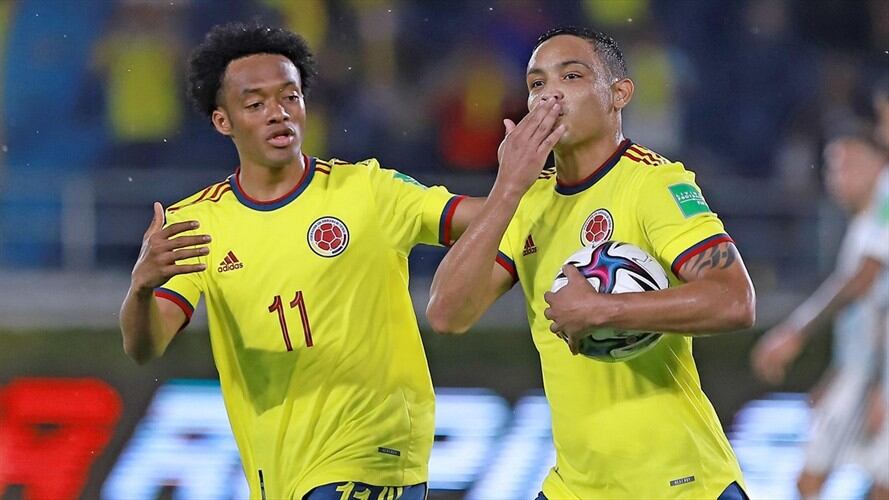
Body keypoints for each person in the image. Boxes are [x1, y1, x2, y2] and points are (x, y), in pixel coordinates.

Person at [119, 23, 481, 499]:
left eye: (290, 97)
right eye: (255, 104)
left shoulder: (367, 190)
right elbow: (145, 346)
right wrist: (141, 289)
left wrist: (524, 182)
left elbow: (479, 218)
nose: (278, 113)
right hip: (281, 474)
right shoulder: (196, 224)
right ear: (223, 121)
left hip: (372, 455)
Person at [427, 26, 756, 499]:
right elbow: (447, 313)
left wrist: (605, 310)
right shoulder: (528, 201)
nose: (550, 95)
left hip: (679, 482)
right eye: (537, 83)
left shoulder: (654, 184)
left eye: (572, 76)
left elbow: (735, 301)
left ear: (619, 94)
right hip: (576, 486)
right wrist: (507, 188)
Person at [752, 132, 888, 498]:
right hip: (862, 371)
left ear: (878, 164)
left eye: (850, 165)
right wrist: (838, 374)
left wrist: (796, 330)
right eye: (833, 167)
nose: (838, 178)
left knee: (818, 478)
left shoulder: (887, 196)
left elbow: (864, 278)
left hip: (870, 376)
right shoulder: (866, 222)